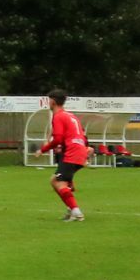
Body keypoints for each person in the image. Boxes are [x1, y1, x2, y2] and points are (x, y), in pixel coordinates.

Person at [39, 90, 91, 222]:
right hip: (79, 152)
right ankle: (70, 209)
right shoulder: (71, 116)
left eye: (48, 100)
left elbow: (57, 138)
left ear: (53, 101)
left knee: (58, 182)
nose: (48, 103)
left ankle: (77, 212)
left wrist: (43, 149)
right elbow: (80, 136)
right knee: (55, 181)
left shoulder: (58, 116)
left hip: (71, 153)